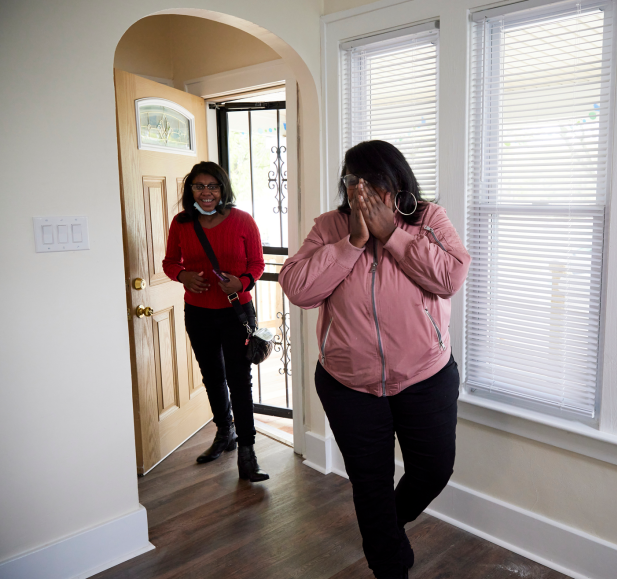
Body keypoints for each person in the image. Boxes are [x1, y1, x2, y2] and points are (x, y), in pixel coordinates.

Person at [279, 141, 471, 578]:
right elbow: (299, 289)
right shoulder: (330, 227)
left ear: (396, 182)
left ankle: (385, 527)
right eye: (352, 182)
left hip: (426, 376)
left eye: (374, 182)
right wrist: (353, 243)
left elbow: (449, 277)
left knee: (433, 470)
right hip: (348, 384)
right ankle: (389, 561)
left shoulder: (426, 219)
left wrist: (393, 235)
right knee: (370, 486)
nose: (362, 192)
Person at [162, 161, 269, 482]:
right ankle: (226, 433)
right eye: (199, 186)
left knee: (240, 380)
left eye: (213, 186)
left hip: (236, 312)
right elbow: (169, 262)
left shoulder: (242, 220)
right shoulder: (182, 223)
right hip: (198, 312)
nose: (206, 193)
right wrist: (183, 276)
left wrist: (243, 282)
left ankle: (248, 452)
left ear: (223, 189)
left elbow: (257, 263)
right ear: (190, 190)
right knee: (212, 376)